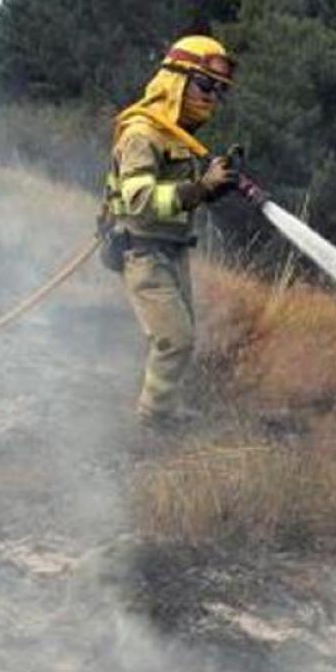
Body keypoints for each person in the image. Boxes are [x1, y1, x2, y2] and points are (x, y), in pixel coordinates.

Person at [102, 35, 239, 428]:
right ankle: (154, 420)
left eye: (219, 91)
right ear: (175, 80)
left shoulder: (177, 134)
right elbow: (140, 200)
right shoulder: (143, 134)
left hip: (171, 250)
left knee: (182, 335)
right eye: (205, 85)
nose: (212, 97)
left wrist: (214, 188)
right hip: (143, 253)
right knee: (175, 339)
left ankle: (165, 407)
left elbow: (183, 197)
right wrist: (201, 188)